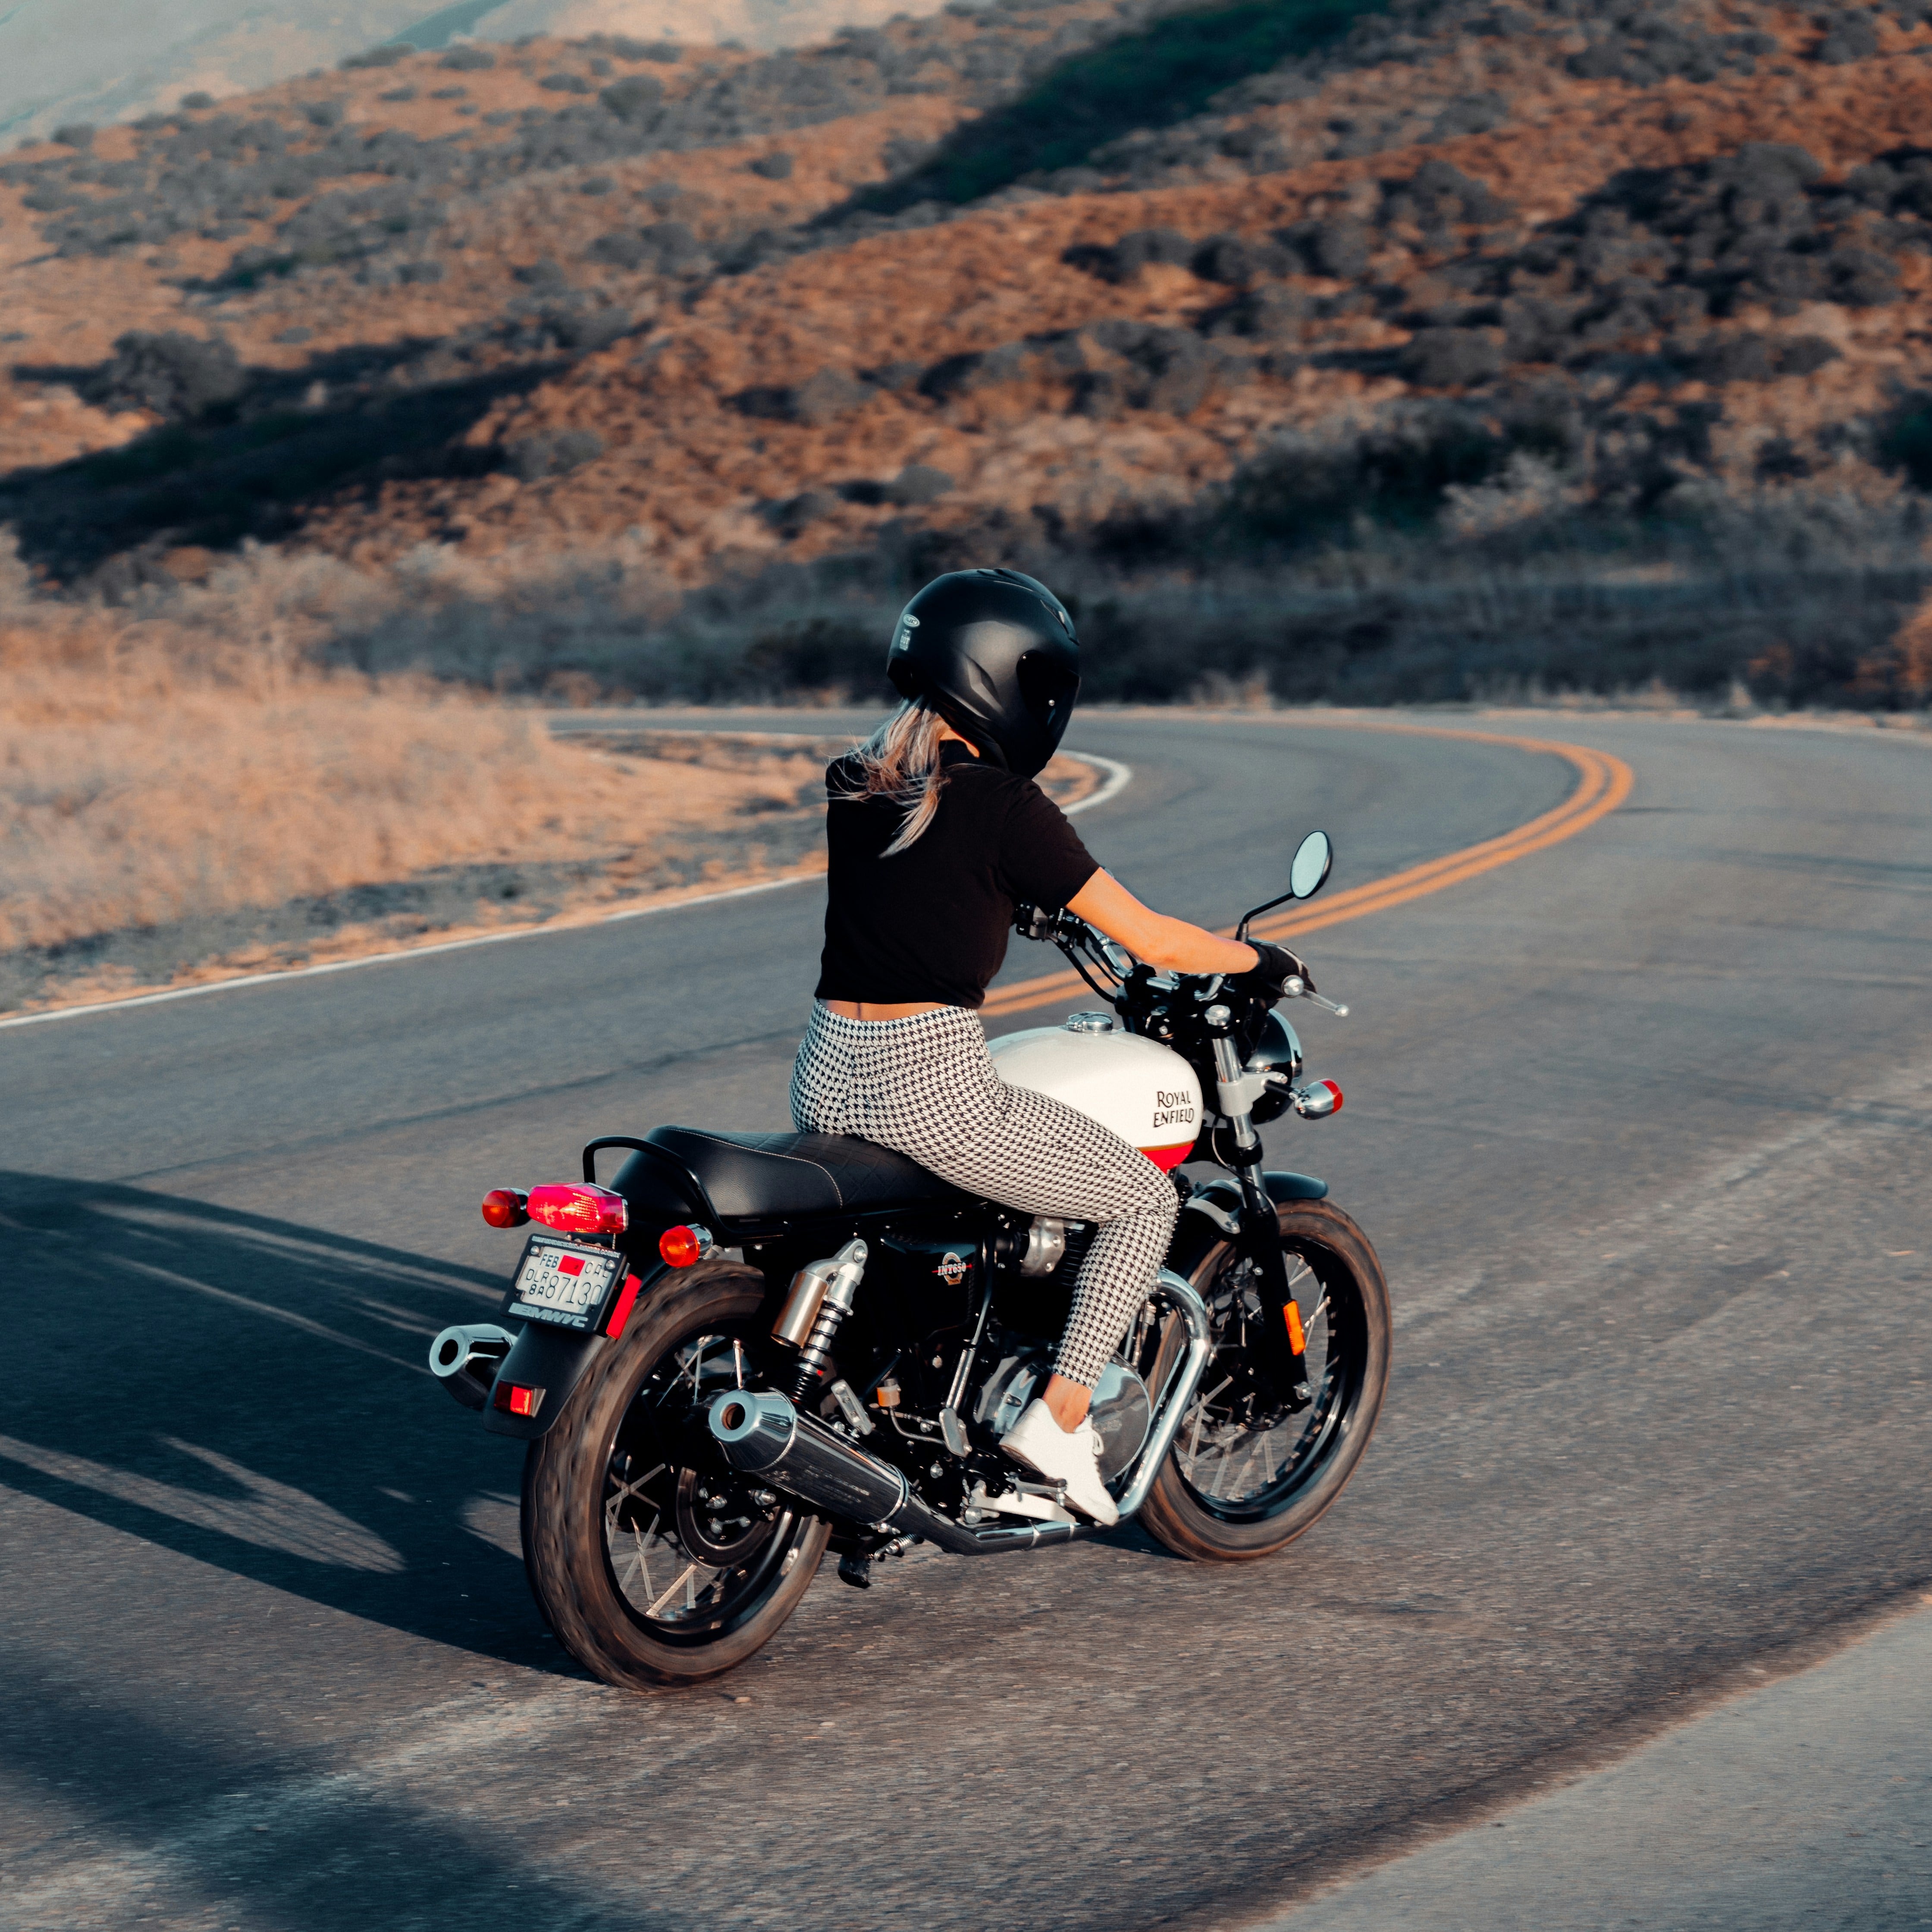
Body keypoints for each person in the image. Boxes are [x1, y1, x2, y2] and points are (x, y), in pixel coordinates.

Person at [789, 568, 1305, 1525]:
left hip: (825, 1073)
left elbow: (926, 893)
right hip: (926, 1082)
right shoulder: (1006, 807)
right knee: (1143, 1199)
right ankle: (1056, 1426)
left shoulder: (856, 784)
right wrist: (1259, 958)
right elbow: (1151, 938)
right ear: (1010, 681)